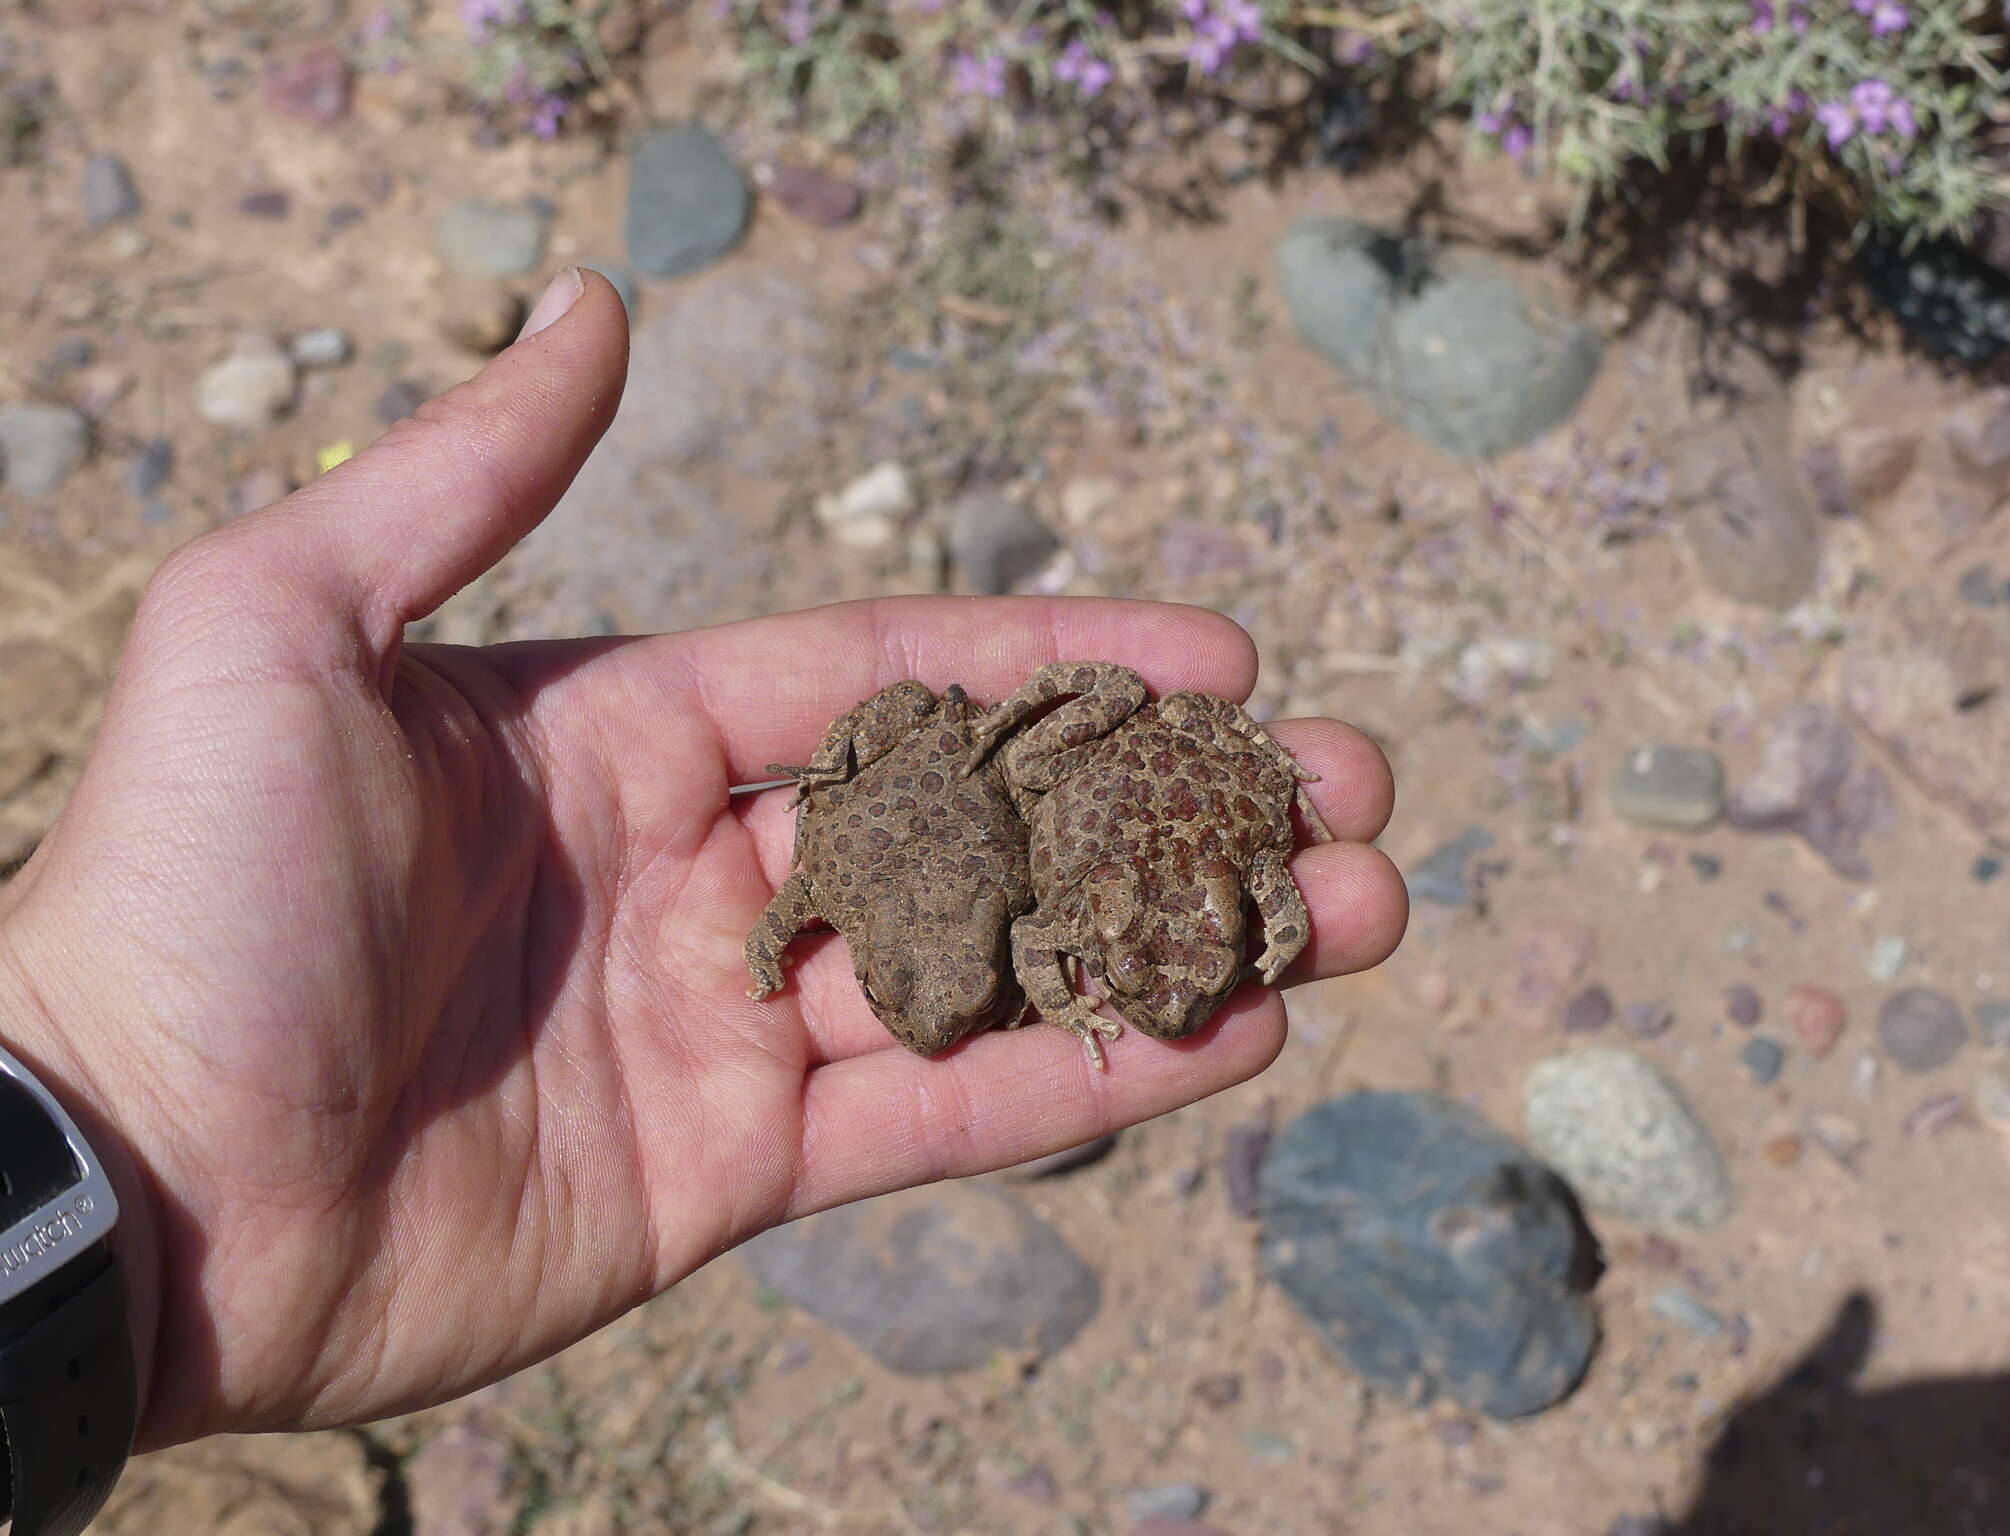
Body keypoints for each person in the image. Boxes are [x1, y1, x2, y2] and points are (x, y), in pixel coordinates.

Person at [0, 269, 1406, 1452]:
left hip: (1003, 795)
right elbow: (811, 892)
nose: (960, 1003)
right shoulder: (882, 892)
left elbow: (867, 895)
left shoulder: (1032, 899)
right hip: (930, 798)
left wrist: (126, 1110)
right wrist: (116, 1095)